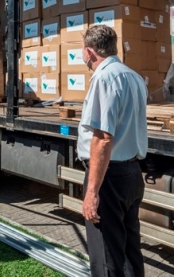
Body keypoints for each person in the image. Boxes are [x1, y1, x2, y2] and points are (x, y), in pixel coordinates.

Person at [77, 25, 148, 276]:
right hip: (130, 173)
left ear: (90, 51)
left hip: (108, 177)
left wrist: (92, 192)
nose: (83, 57)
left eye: (82, 52)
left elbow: (103, 139)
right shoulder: (134, 76)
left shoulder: (104, 78)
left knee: (106, 256)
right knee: (129, 251)